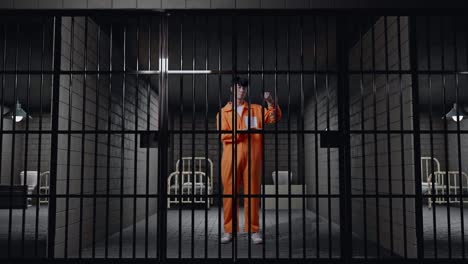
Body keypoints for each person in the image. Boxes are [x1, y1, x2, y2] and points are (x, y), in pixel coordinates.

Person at [216, 77, 281, 244]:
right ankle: (229, 230)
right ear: (232, 89)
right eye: (238, 87)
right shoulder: (223, 112)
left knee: (252, 195)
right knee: (230, 195)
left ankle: (254, 230)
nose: (242, 91)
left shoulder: (256, 109)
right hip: (230, 158)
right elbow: (223, 135)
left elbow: (274, 118)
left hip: (252, 158)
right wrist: (241, 132)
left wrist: (270, 102)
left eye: (244, 88)